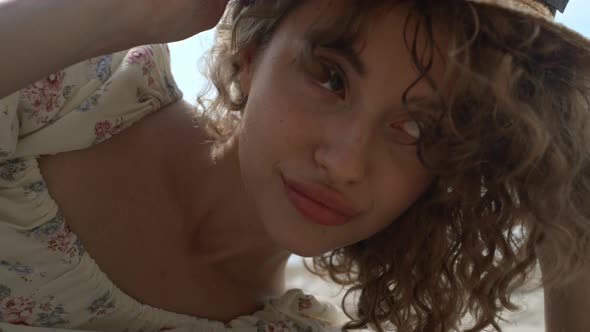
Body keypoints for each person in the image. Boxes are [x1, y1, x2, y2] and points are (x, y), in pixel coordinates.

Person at [0, 0, 589, 331]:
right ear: (252, 54)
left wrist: (574, 205)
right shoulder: (65, 92)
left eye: (418, 129)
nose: (345, 162)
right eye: (330, 77)